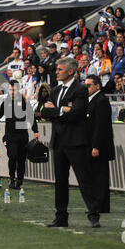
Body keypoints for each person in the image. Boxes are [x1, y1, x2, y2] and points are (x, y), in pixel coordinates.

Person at [41, 58, 100, 228]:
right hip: (58, 141)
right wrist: (62, 109)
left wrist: (56, 111)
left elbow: (76, 114)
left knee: (84, 178)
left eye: (60, 69)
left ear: (70, 71)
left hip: (76, 141)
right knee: (60, 181)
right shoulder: (55, 89)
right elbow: (44, 112)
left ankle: (93, 214)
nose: (56, 72)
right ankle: (61, 216)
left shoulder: (80, 89)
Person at [0, 79, 39, 190]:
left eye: (14, 89)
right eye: (11, 89)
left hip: (22, 135)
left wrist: (35, 131)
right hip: (10, 136)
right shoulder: (5, 102)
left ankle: (19, 181)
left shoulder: (24, 102)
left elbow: (31, 117)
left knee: (21, 159)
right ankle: (12, 178)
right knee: (12, 156)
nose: (12, 92)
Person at [85, 75, 115, 214]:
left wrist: (96, 146)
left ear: (97, 86)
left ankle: (101, 206)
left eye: (89, 85)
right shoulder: (92, 100)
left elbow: (100, 126)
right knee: (93, 177)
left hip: (99, 146)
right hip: (91, 144)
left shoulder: (101, 100)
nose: (87, 88)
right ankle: (95, 205)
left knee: (100, 177)